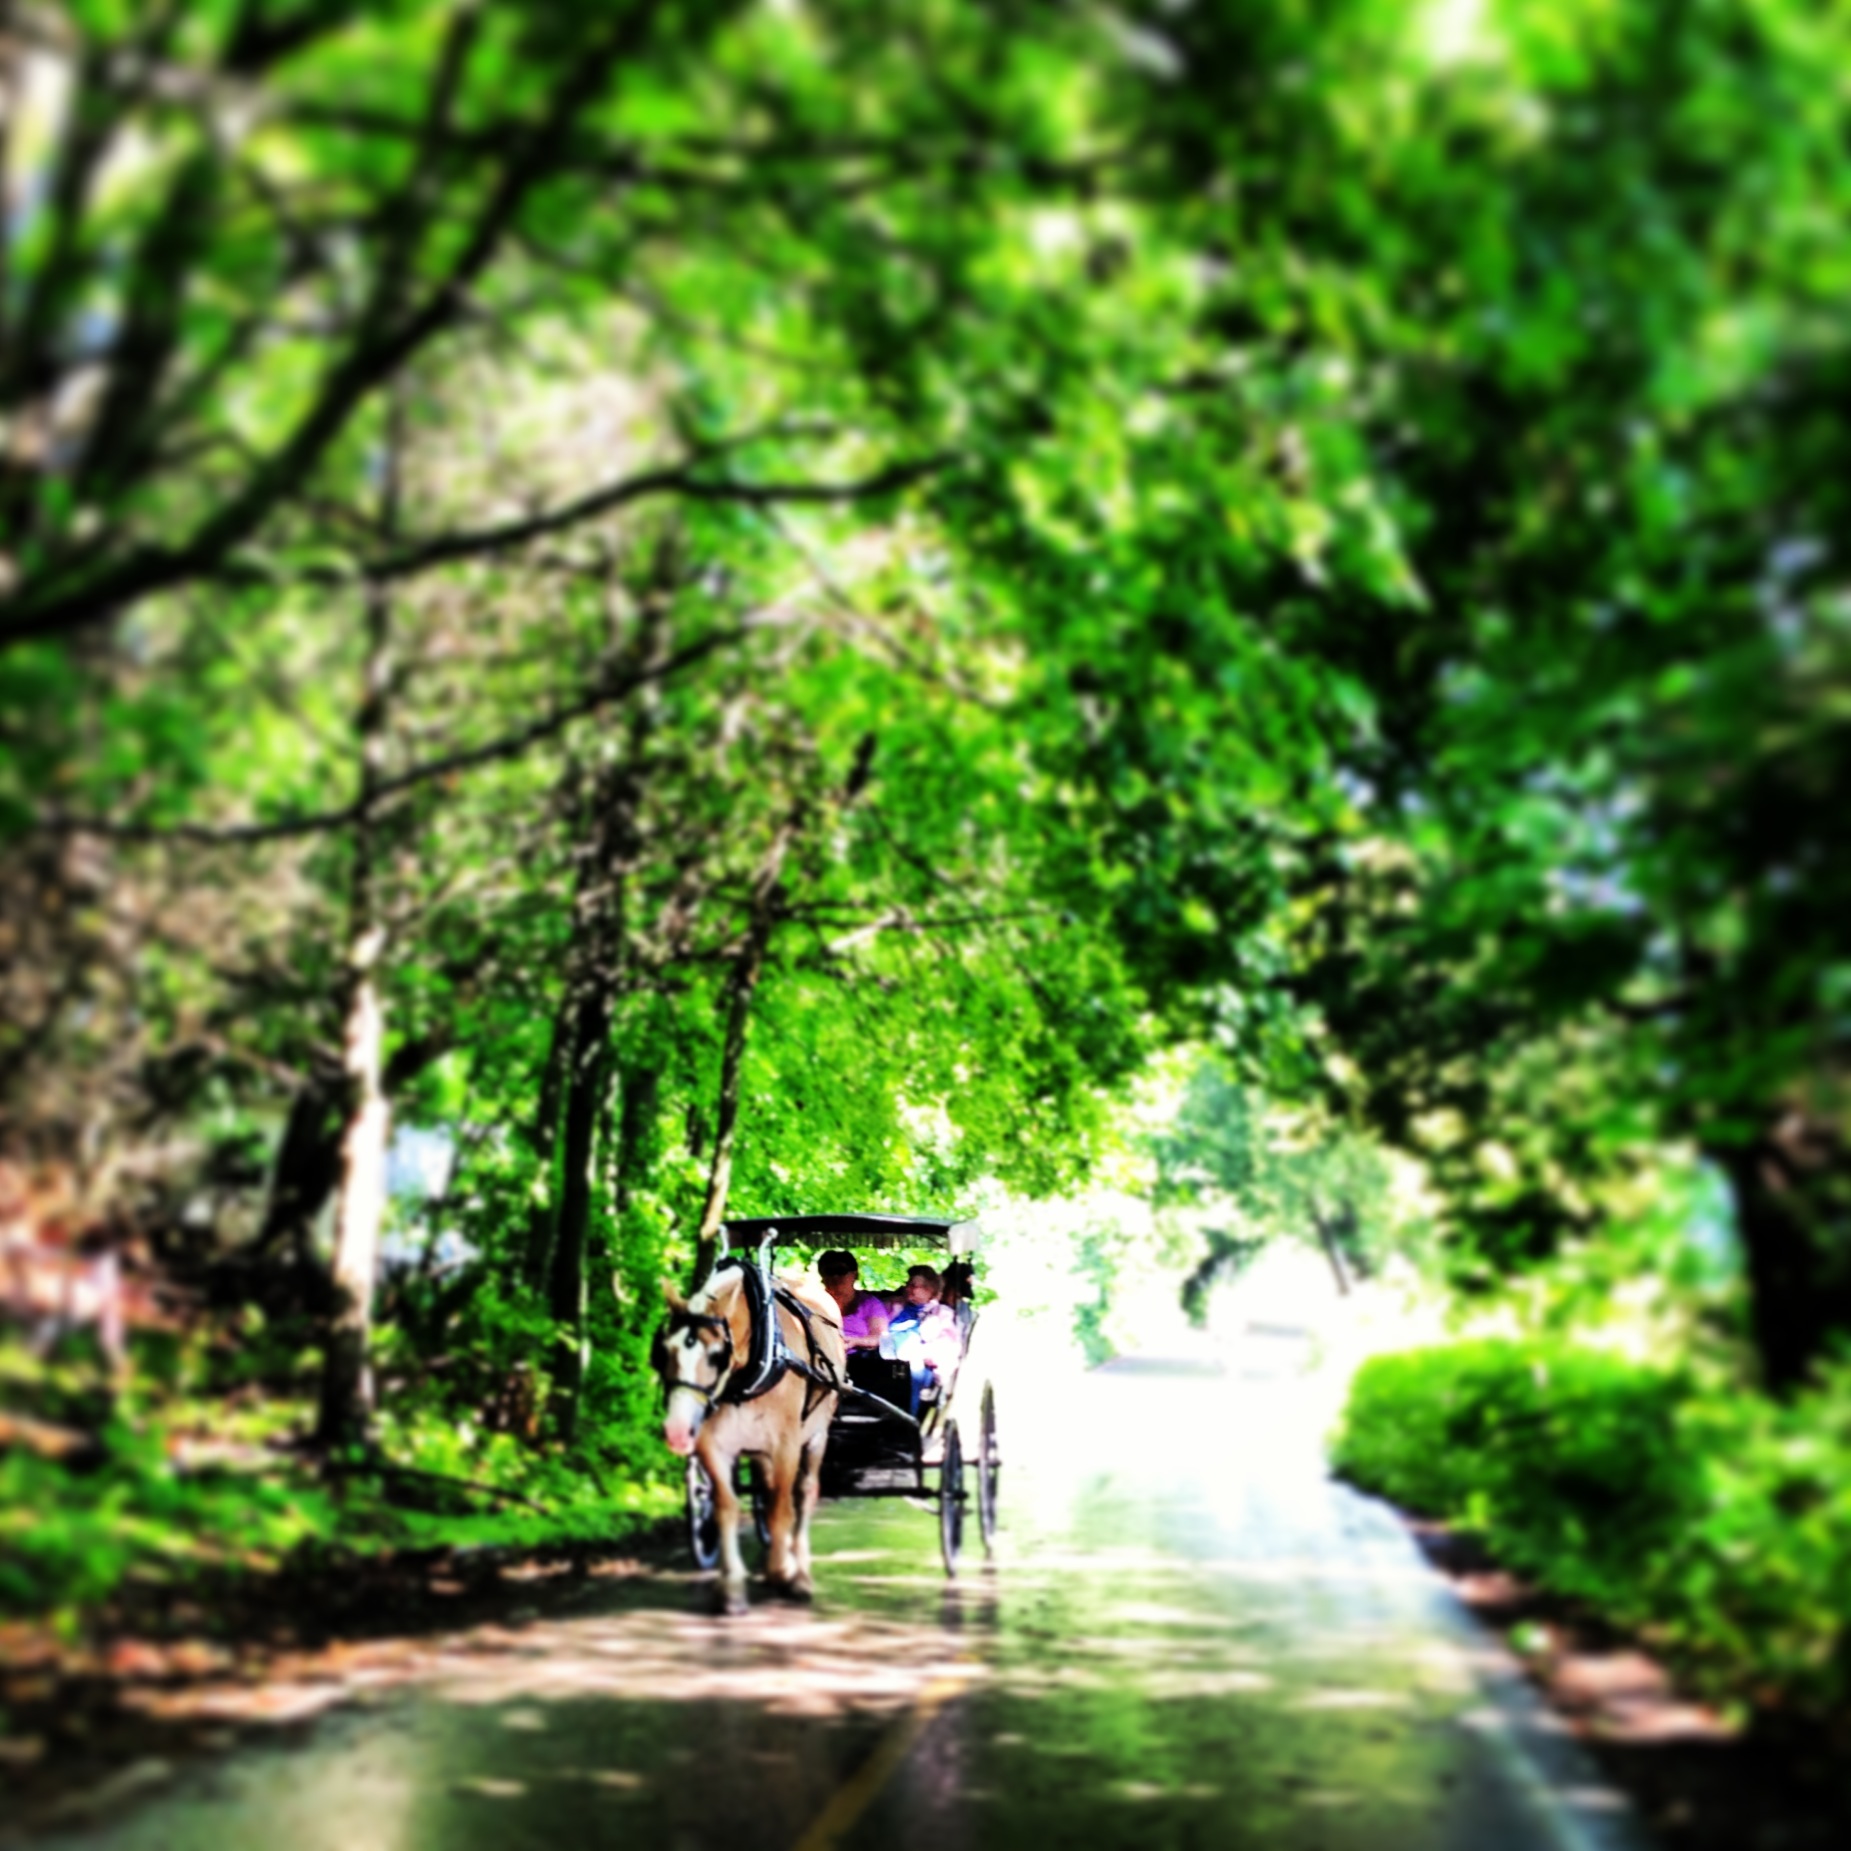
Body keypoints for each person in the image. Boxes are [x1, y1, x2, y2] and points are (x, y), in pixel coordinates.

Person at [881, 1264, 962, 1415]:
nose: (908, 1288)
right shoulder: (893, 1305)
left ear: (929, 1289)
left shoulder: (941, 1314)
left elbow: (947, 1347)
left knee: (914, 1371)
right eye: (908, 1284)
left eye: (913, 1285)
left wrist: (917, 1353)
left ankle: (908, 1416)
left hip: (914, 1365)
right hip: (881, 1358)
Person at [815, 1249, 890, 1353]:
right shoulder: (814, 1303)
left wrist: (855, 1342)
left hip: (859, 1358)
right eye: (829, 1272)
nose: (835, 1276)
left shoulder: (870, 1304)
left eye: (841, 1271)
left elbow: (880, 1337)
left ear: (855, 1275)